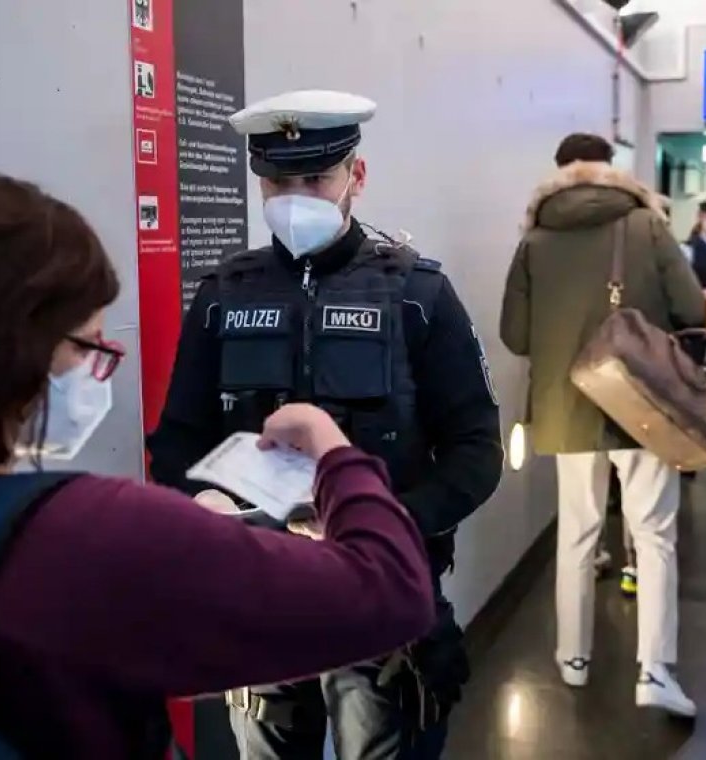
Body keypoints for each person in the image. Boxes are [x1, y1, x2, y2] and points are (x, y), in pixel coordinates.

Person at [0, 176, 439, 758]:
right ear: (19, 347)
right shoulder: (92, 532)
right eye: (90, 344)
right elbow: (391, 591)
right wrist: (334, 454)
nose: (99, 368)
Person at [147, 90, 503, 760]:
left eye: (316, 177)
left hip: (384, 594)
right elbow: (177, 440)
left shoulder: (417, 294)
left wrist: (388, 522)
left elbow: (476, 451)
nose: (296, 195)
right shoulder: (225, 291)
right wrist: (204, 505)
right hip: (263, 593)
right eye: (279, 181)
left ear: (356, 178)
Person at [500, 132, 705, 717]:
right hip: (639, 400)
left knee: (577, 532)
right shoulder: (646, 225)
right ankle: (654, 671)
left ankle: (573, 657)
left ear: (561, 172)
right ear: (611, 170)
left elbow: (515, 334)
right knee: (654, 535)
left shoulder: (535, 237)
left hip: (567, 405)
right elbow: (691, 308)